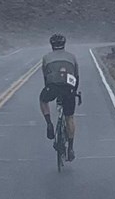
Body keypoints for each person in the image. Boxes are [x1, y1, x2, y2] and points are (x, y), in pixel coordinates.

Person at [40, 33, 79, 161]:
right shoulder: (72, 57)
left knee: (43, 99)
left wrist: (50, 89)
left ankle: (49, 123)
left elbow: (46, 77)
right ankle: (71, 147)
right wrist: (74, 92)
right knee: (70, 117)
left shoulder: (46, 57)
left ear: (52, 45)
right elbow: (76, 77)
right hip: (68, 87)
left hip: (53, 87)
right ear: (64, 44)